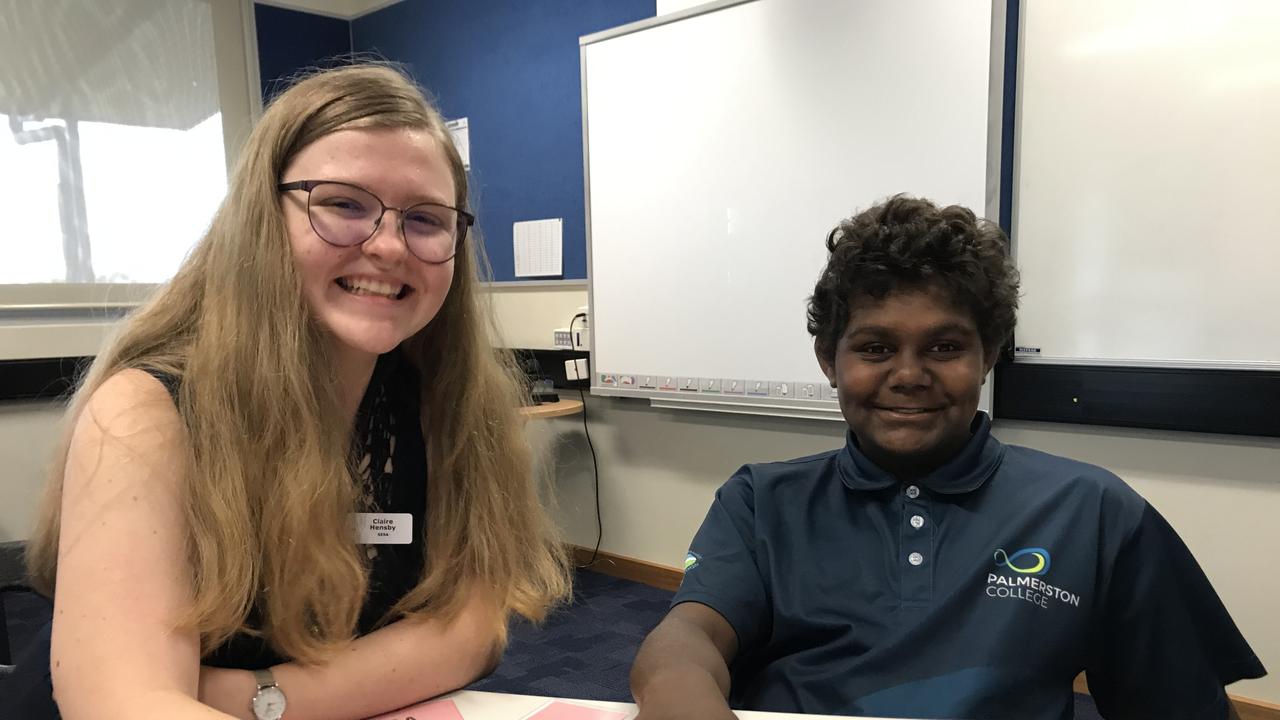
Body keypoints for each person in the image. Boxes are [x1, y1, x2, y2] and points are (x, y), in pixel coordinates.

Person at [7, 63, 571, 719]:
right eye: (341, 204)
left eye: (425, 219)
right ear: (262, 221)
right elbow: (126, 704)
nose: (388, 245)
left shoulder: (447, 402)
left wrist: (256, 698)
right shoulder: (146, 410)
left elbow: (471, 633)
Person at [629, 195, 1265, 720]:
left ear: (987, 354)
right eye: (875, 348)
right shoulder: (760, 502)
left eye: (944, 347)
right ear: (830, 361)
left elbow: (1183, 707)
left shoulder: (1094, 512)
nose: (909, 375)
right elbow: (687, 641)